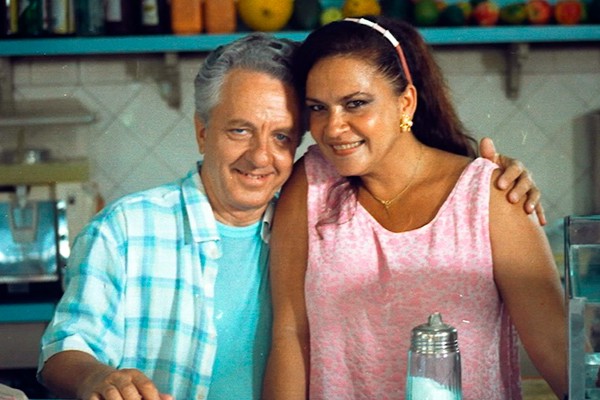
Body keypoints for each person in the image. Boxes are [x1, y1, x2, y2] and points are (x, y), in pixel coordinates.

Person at [37, 32, 541, 400]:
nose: (261, 156)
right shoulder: (127, 229)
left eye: (281, 137)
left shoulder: (315, 224)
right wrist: (96, 377)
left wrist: (491, 179)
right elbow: (64, 348)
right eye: (239, 130)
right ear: (202, 131)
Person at [263, 17, 567, 400]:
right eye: (318, 108)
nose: (333, 127)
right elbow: (291, 334)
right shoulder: (311, 183)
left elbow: (557, 348)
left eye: (356, 104)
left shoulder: (489, 194)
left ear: (405, 101)